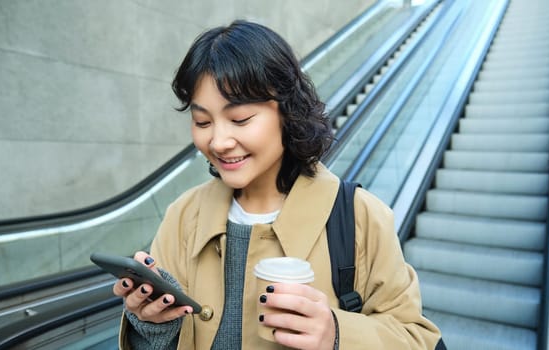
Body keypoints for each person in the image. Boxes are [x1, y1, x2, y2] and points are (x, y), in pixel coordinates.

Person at [112, 20, 441, 349]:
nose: (218, 141)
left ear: (287, 110)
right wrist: (152, 326)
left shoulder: (358, 216)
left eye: (240, 119)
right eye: (202, 121)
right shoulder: (183, 216)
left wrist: (337, 334)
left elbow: (417, 337)